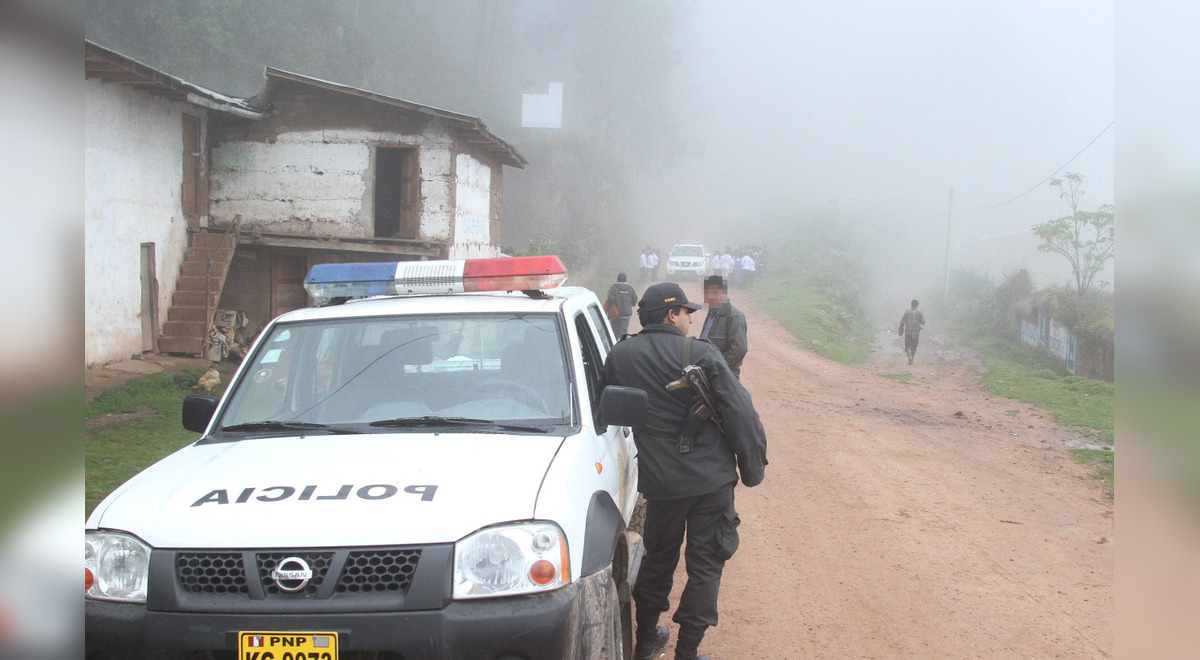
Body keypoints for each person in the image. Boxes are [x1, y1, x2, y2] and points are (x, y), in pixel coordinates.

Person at [604, 282, 767, 660]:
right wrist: (751, 468)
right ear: (669, 315)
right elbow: (740, 412)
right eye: (685, 313)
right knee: (706, 564)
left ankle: (645, 641)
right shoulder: (701, 353)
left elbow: (607, 407)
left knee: (658, 558)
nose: (690, 320)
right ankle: (688, 653)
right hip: (711, 481)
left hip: (662, 483)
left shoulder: (621, 355)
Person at [700, 275, 748, 378]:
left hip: (725, 376)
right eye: (707, 293)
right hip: (707, 374)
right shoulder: (711, 314)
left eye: (714, 293)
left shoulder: (734, 316)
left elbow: (739, 350)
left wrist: (719, 368)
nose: (710, 297)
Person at [604, 272, 639, 339]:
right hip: (626, 315)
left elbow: (610, 299)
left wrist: (609, 310)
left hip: (615, 314)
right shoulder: (630, 288)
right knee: (624, 333)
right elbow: (634, 301)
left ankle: (614, 346)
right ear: (626, 279)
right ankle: (622, 346)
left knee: (614, 333)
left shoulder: (613, 288)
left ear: (617, 279)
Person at [897, 298, 926, 365]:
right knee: (914, 346)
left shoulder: (907, 312)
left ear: (911, 304)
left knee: (908, 345)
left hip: (908, 332)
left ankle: (909, 357)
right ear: (917, 305)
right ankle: (912, 357)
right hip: (916, 332)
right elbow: (923, 322)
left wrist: (900, 328)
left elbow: (902, 321)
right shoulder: (919, 313)